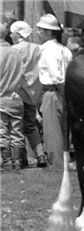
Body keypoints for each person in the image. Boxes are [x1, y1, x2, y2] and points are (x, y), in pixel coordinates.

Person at [9, 20, 47, 168]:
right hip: (33, 93)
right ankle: (40, 155)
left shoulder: (13, 50)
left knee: (16, 127)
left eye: (12, 33)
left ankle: (19, 159)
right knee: (31, 126)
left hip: (16, 92)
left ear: (17, 34)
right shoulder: (39, 49)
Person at [36, 13, 72, 168]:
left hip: (53, 91)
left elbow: (56, 76)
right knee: (64, 129)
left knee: (52, 129)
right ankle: (63, 160)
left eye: (41, 30)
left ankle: (56, 162)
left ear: (49, 32)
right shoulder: (64, 50)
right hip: (64, 90)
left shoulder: (48, 50)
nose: (38, 32)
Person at [0, 23, 26, 170]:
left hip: (2, 96)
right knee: (17, 132)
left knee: (2, 131)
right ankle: (18, 161)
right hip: (16, 97)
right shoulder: (16, 52)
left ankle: (6, 161)